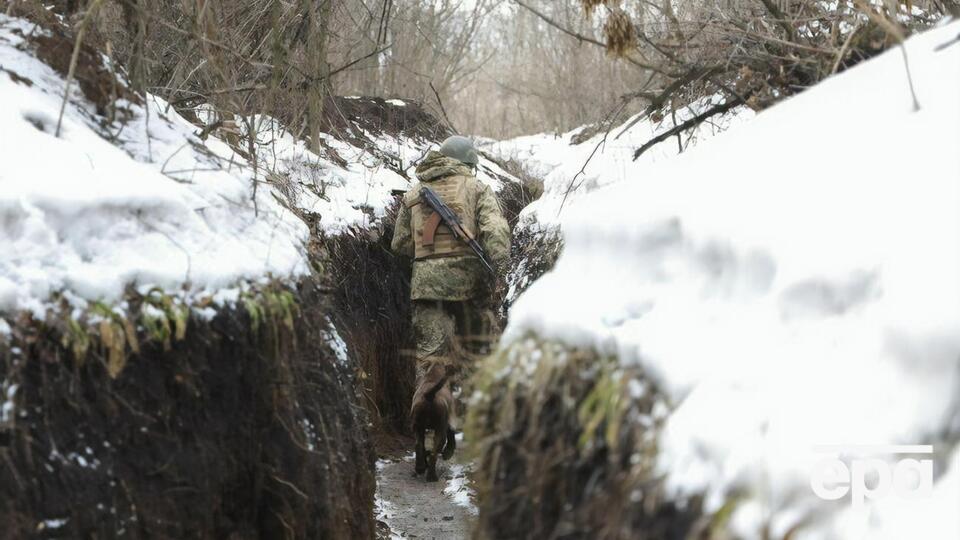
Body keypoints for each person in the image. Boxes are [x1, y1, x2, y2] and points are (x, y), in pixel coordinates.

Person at [391, 135, 510, 392]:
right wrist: (501, 268)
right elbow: (496, 230)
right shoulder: (476, 187)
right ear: (467, 162)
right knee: (476, 355)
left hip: (426, 288)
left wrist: (428, 257)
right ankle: (473, 416)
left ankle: (429, 418)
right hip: (470, 285)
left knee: (430, 362)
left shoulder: (414, 192)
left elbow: (399, 244)